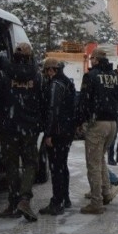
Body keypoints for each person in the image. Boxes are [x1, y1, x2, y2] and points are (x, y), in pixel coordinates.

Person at [0, 42, 43, 222]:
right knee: (30, 163)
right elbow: (42, 102)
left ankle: (13, 203)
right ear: (29, 57)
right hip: (29, 128)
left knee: (11, 165)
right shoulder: (36, 76)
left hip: (9, 127)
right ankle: (25, 199)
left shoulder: (4, 74)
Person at [76, 48, 118, 214]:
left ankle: (96, 202)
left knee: (93, 164)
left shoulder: (91, 76)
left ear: (96, 60)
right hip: (112, 123)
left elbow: (83, 101)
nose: (90, 61)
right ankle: (106, 192)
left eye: (91, 59)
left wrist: (80, 121)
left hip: (97, 124)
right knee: (100, 159)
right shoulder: (115, 77)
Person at [38, 58, 76, 216]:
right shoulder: (68, 82)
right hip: (67, 132)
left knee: (56, 168)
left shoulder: (55, 85)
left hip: (57, 133)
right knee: (62, 165)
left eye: (47, 71)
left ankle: (57, 202)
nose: (47, 74)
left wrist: (48, 134)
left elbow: (52, 110)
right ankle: (65, 198)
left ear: (51, 70)